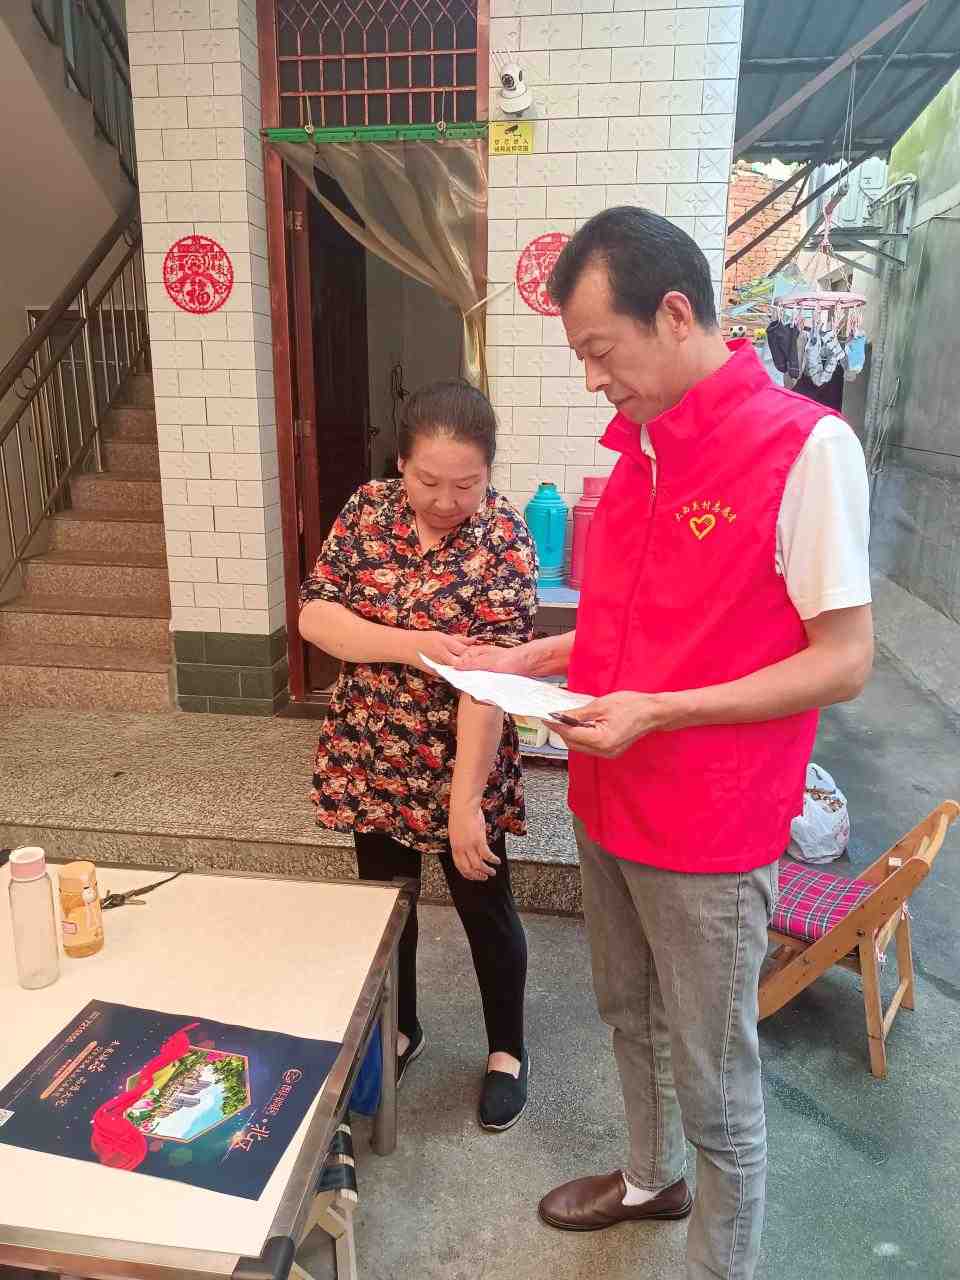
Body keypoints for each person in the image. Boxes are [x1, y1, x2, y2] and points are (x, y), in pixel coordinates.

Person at [456, 208, 873, 1276]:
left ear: (676, 313)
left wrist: (661, 711)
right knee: (626, 1012)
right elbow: (653, 619)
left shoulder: (804, 447)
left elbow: (843, 659)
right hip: (609, 798)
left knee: (714, 1073)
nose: (593, 378)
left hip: (710, 830)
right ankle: (651, 1177)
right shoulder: (641, 447)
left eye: (601, 349)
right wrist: (549, 654)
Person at [298, 379, 537, 1131]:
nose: (445, 500)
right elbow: (316, 616)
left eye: (466, 484)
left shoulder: (504, 536)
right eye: (429, 480)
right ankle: (400, 1029)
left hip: (465, 753)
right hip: (373, 747)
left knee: (484, 905)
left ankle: (507, 1051)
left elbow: (490, 681)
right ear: (401, 462)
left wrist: (465, 806)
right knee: (387, 904)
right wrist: (415, 646)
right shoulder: (368, 510)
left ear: (489, 472)